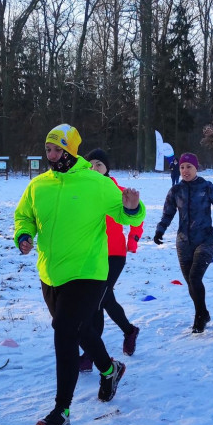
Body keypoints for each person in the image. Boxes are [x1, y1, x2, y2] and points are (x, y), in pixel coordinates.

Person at [14, 125, 146, 425]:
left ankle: (62, 409)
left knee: (63, 331)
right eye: (48, 149)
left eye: (57, 150)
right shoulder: (38, 186)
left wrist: (132, 207)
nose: (51, 155)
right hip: (52, 273)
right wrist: (23, 235)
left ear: (71, 151)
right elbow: (25, 216)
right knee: (82, 330)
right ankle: (111, 370)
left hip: (88, 272)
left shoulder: (96, 184)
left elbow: (130, 216)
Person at [79, 149, 143, 365]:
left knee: (99, 299)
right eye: (91, 164)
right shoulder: (83, 190)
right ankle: (128, 331)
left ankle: (91, 353)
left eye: (99, 164)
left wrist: (132, 239)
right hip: (91, 254)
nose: (94, 168)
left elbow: (136, 216)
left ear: (107, 168)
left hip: (114, 254)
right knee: (98, 300)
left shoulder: (116, 190)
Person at [153, 152, 213, 332]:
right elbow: (168, 213)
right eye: (182, 167)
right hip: (183, 242)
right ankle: (203, 312)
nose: (185, 171)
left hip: (206, 240)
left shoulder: (206, 187)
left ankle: (199, 317)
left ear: (196, 168)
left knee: (195, 278)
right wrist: (159, 230)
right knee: (191, 282)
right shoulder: (175, 191)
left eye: (189, 167)